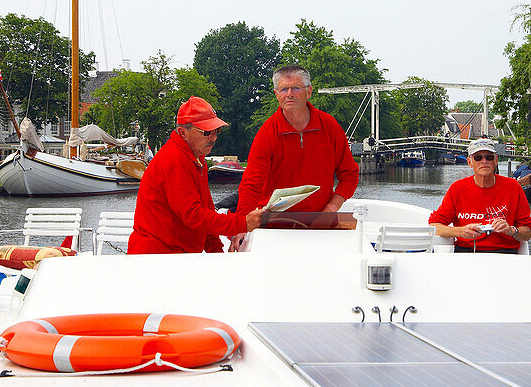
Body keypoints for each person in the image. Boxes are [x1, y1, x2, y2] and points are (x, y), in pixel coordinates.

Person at [128, 96, 263, 254]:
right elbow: (193, 215)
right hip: (157, 258)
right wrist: (242, 223)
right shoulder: (175, 159)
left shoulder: (197, 160)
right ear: (182, 133)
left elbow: (206, 210)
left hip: (174, 256)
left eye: (216, 130)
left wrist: (217, 253)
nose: (214, 137)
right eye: (207, 132)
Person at [236, 65, 359, 216]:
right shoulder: (267, 133)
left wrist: (332, 208)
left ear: (309, 92)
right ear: (276, 94)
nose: (289, 94)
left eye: (296, 88)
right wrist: (241, 225)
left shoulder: (330, 127)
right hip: (275, 222)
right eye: (283, 89)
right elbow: (251, 185)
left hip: (321, 220)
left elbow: (350, 175)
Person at [428, 138, 531, 253]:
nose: (484, 161)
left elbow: (527, 233)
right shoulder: (457, 189)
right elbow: (434, 226)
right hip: (466, 253)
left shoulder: (513, 187)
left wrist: (511, 230)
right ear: (469, 162)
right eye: (478, 158)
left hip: (504, 254)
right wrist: (461, 231)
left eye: (489, 157)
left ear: (496, 160)